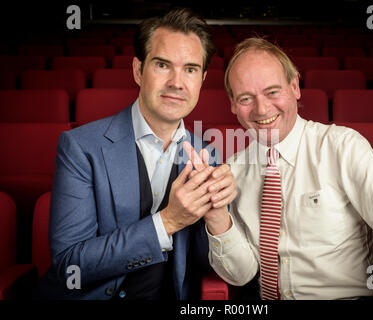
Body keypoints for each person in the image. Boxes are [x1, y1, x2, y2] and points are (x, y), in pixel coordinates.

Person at [206, 37, 373, 300]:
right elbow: (241, 275)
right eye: (245, 98)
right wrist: (218, 218)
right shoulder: (234, 170)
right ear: (232, 104)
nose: (262, 108)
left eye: (273, 92)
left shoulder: (342, 147)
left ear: (295, 86)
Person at [35, 8, 236, 300]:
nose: (177, 83)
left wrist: (218, 221)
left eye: (190, 69)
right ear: (138, 70)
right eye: (163, 65)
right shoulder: (79, 147)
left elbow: (205, 267)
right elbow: (70, 264)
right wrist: (167, 222)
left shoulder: (209, 156)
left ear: (202, 79)